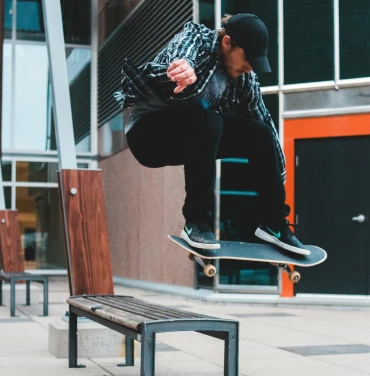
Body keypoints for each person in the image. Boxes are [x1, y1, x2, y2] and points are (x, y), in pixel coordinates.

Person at [114, 14, 309, 256]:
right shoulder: (199, 40)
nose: (249, 67)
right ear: (227, 43)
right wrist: (183, 66)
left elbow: (265, 121)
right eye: (247, 59)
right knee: (208, 120)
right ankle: (196, 222)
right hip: (147, 136)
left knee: (261, 133)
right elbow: (183, 50)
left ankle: (274, 225)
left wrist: (277, 174)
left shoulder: (245, 80)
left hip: (193, 135)